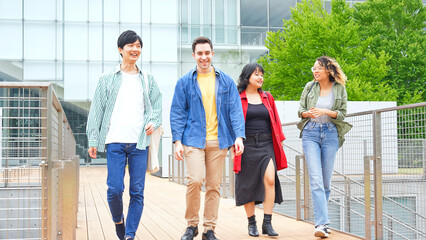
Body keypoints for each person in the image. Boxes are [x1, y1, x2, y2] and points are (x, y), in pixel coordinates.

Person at [86, 30, 162, 240]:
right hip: (114, 141)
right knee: (115, 189)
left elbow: (156, 107)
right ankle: (118, 221)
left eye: (138, 45)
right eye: (130, 45)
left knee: (137, 191)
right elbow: (97, 111)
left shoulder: (147, 79)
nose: (135, 49)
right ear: (121, 50)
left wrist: (153, 122)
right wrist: (93, 139)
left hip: (139, 142)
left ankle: (129, 235)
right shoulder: (107, 79)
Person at [170, 36, 245, 240]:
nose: (204, 57)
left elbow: (235, 111)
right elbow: (177, 112)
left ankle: (209, 229)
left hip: (219, 141)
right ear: (194, 56)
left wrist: (238, 136)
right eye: (199, 53)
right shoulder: (184, 82)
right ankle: (191, 225)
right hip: (192, 140)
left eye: (207, 53)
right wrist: (177, 141)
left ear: (212, 54)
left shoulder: (226, 81)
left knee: (213, 185)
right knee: (194, 181)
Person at [297, 56, 352, 238]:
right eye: (313, 68)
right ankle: (322, 224)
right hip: (310, 133)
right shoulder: (309, 87)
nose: (315, 71)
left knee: (326, 182)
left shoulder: (339, 88)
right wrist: (309, 113)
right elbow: (301, 111)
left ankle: (322, 222)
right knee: (316, 179)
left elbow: (342, 114)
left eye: (318, 68)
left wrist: (325, 111)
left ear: (328, 70)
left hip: (330, 134)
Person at [234, 63, 287, 237]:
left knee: (270, 179)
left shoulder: (267, 97)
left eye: (262, 74)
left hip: (266, 144)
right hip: (246, 145)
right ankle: (251, 223)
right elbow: (232, 121)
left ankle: (267, 222)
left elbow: (276, 121)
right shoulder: (237, 97)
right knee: (248, 184)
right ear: (247, 76)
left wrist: (279, 141)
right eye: (256, 74)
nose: (260, 77)